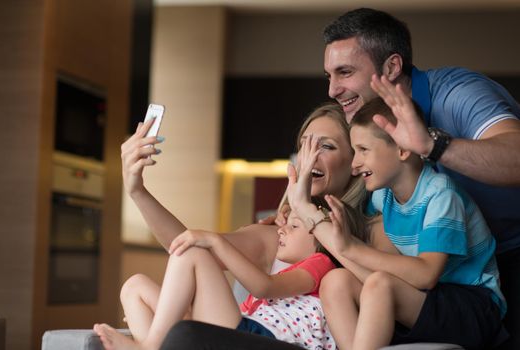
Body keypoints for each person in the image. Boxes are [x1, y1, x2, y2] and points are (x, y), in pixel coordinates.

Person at [96, 102, 388, 349]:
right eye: (305, 145)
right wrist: (137, 191)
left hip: (263, 338)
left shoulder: (372, 232)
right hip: (239, 329)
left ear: (355, 159)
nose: (309, 155)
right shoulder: (278, 234)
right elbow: (185, 246)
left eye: (325, 145)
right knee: (138, 284)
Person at [320, 8, 520, 349]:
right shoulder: (371, 139)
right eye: (329, 75)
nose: (332, 90)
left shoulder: (458, 95)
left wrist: (431, 145)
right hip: (442, 275)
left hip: (504, 260)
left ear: (392, 67)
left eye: (345, 72)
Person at [289, 96, 507, 349]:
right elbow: (345, 233)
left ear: (402, 150)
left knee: (381, 284)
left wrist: (351, 247)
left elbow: (426, 274)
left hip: (473, 307)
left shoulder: (441, 196)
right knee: (336, 281)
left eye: (363, 150)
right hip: (428, 299)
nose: (355, 164)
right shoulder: (384, 195)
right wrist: (299, 210)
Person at [94, 194, 368, 350]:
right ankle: (151, 343)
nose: (281, 230)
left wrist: (215, 241)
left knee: (193, 252)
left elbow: (264, 287)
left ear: (323, 236)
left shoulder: (322, 262)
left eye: (294, 227)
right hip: (245, 326)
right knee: (135, 286)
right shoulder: (290, 270)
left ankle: (150, 346)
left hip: (258, 338)